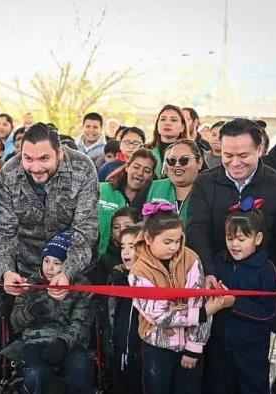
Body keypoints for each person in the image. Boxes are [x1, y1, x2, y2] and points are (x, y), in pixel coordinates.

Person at [185, 118, 276, 393]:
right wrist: (208, 272)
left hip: (257, 287)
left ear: (260, 149)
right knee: (217, 370)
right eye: (227, 155)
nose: (235, 162)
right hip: (217, 282)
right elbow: (197, 229)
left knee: (252, 371)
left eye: (243, 155)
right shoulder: (205, 183)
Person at [0, 122, 99, 300]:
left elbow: (85, 231)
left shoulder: (82, 168)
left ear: (60, 153)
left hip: (75, 271)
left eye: (44, 159)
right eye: (28, 159)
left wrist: (67, 272)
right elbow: (4, 231)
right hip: (28, 273)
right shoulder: (9, 173)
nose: (36, 167)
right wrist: (6, 271)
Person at [128, 203, 220, 393]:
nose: (174, 247)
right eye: (167, 242)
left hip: (190, 346)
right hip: (156, 346)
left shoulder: (192, 259)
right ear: (148, 238)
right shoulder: (139, 271)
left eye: (178, 241)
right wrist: (201, 314)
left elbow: (200, 300)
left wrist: (194, 347)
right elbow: (158, 315)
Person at [203, 197, 276, 393]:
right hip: (219, 347)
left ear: (258, 239)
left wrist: (234, 302)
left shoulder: (267, 269)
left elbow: (268, 313)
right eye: (230, 238)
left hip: (251, 351)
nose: (234, 244)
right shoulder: (219, 262)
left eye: (242, 239)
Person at [11, 231, 94, 394]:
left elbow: (81, 323)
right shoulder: (30, 285)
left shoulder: (81, 287)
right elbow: (15, 322)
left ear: (67, 265)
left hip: (69, 343)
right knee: (37, 374)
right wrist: (29, 311)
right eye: (46, 261)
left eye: (57, 263)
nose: (49, 267)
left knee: (80, 367)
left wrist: (63, 342)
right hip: (34, 341)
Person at [97, 149, 157, 257]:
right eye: (136, 167)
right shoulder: (103, 190)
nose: (140, 173)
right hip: (97, 260)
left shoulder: (153, 200)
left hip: (136, 262)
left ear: (152, 176)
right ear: (127, 167)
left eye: (147, 171)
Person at [110, 225, 143, 394]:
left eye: (132, 246)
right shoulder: (117, 278)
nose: (126, 252)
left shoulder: (150, 280)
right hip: (121, 349)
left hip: (143, 354)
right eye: (123, 247)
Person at [149, 104, 188, 177]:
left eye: (173, 120)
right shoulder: (145, 150)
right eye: (163, 119)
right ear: (157, 125)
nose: (167, 123)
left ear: (182, 127)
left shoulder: (192, 152)